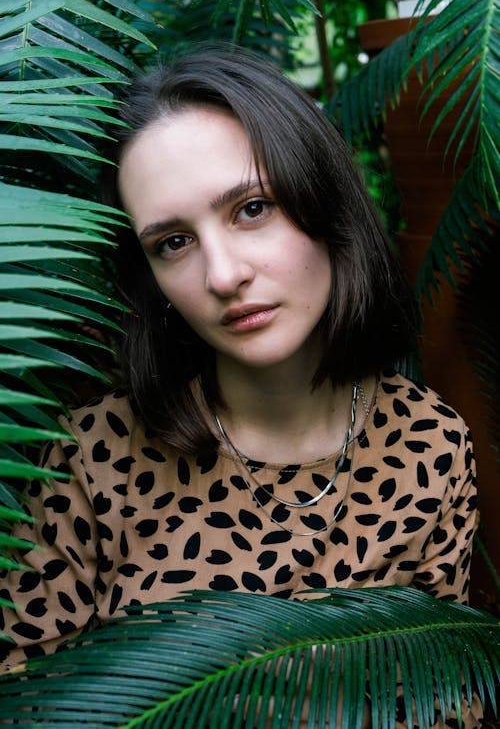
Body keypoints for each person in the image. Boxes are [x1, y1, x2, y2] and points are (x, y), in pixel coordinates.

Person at [0, 45, 479, 724]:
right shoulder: (91, 456)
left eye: (252, 207)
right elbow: (26, 703)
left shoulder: (431, 446)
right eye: (173, 242)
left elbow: (448, 699)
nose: (222, 275)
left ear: (324, 202)